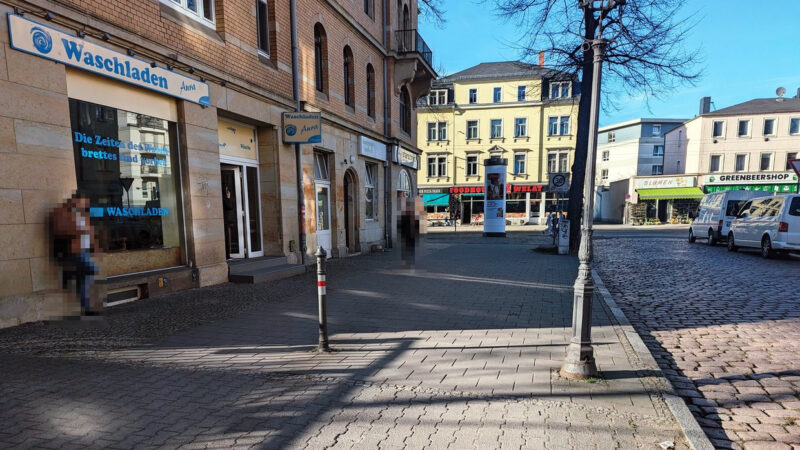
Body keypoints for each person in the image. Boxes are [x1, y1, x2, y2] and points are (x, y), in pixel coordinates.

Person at [51, 193, 99, 315]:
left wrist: (93, 244)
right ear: (74, 200)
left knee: (83, 281)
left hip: (84, 249)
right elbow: (59, 230)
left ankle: (86, 308)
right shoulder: (61, 211)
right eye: (83, 202)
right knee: (91, 269)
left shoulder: (79, 213)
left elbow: (88, 230)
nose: (84, 205)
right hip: (75, 250)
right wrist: (80, 231)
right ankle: (68, 275)